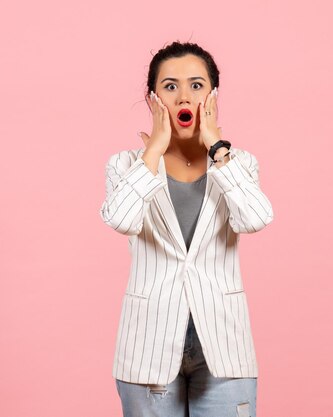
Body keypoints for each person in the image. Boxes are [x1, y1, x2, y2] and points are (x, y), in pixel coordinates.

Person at [99, 41, 273, 417]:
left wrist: (217, 147)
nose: (183, 96)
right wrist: (155, 149)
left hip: (224, 344)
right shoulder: (126, 164)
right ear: (152, 99)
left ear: (213, 95)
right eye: (170, 86)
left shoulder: (237, 163)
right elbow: (121, 219)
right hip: (148, 344)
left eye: (196, 85)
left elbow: (256, 218)